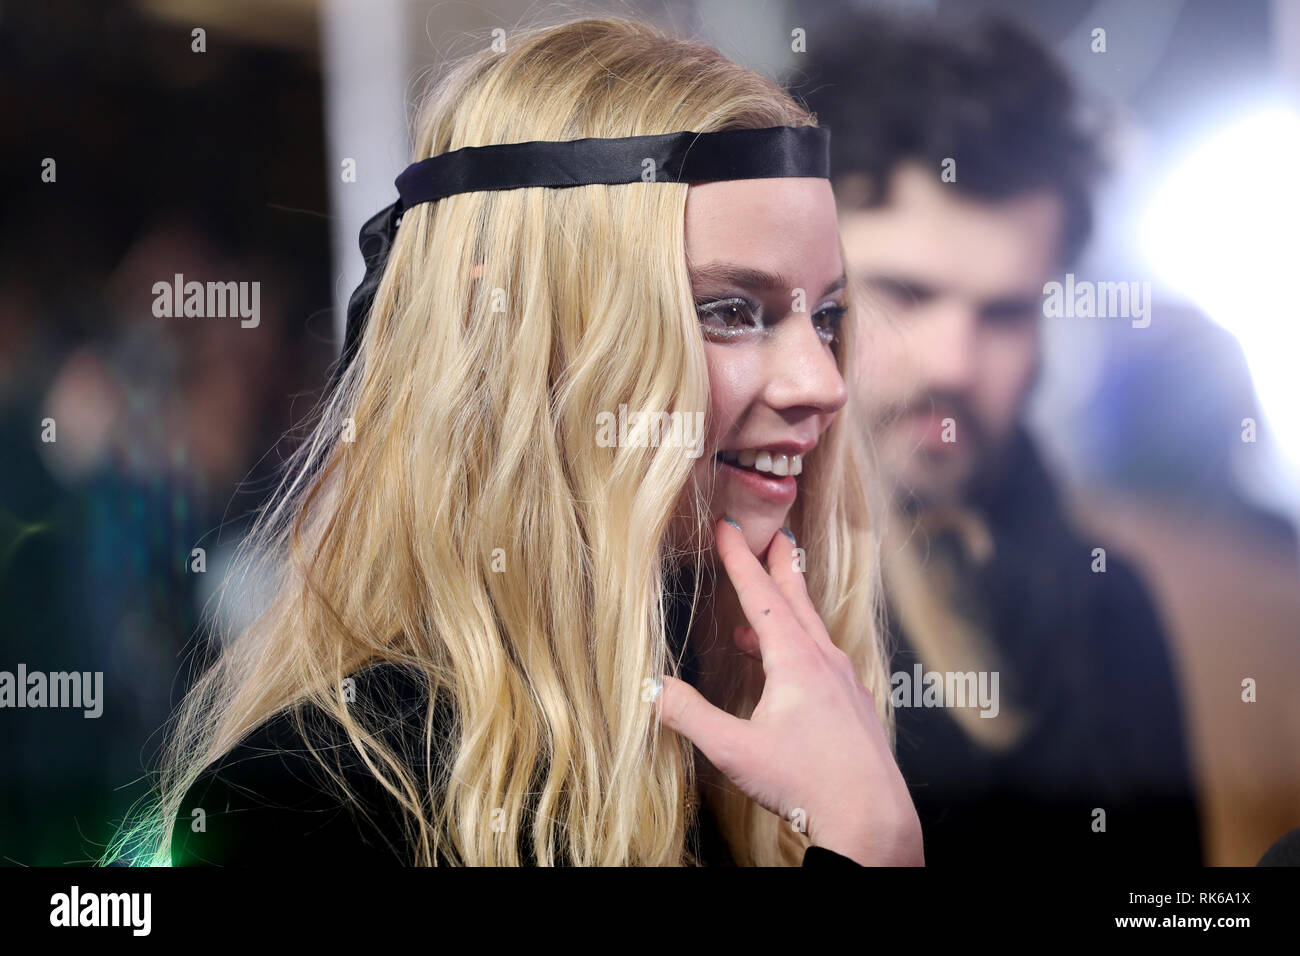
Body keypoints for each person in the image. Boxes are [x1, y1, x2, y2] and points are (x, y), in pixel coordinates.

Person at [104, 15, 922, 868]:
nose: (823, 383)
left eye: (826, 316)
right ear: (535, 345)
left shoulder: (769, 736)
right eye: (728, 312)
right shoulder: (303, 809)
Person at [799, 13, 1203, 864]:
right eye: (905, 293)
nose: (953, 362)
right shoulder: (676, 600)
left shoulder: (1110, 615)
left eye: (1006, 312)